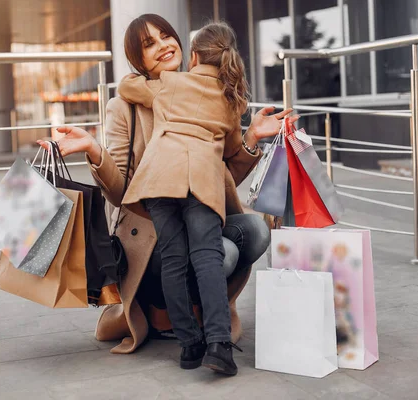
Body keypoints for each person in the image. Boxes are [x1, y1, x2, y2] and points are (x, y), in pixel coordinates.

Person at [38, 13, 297, 370]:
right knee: (216, 253)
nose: (162, 46)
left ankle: (191, 338)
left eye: (165, 36)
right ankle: (195, 329)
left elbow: (224, 172)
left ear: (189, 52)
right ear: (138, 59)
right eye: (149, 44)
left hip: (173, 195)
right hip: (147, 235)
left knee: (252, 230)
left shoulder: (179, 88)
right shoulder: (127, 106)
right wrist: (95, 152)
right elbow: (119, 191)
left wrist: (251, 137)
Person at [116, 21, 250, 375]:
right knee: (206, 257)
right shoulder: (232, 98)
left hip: (158, 180)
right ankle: (218, 344)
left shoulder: (170, 84)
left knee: (174, 259)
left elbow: (128, 86)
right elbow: (233, 148)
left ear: (192, 56)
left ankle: (189, 346)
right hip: (199, 183)